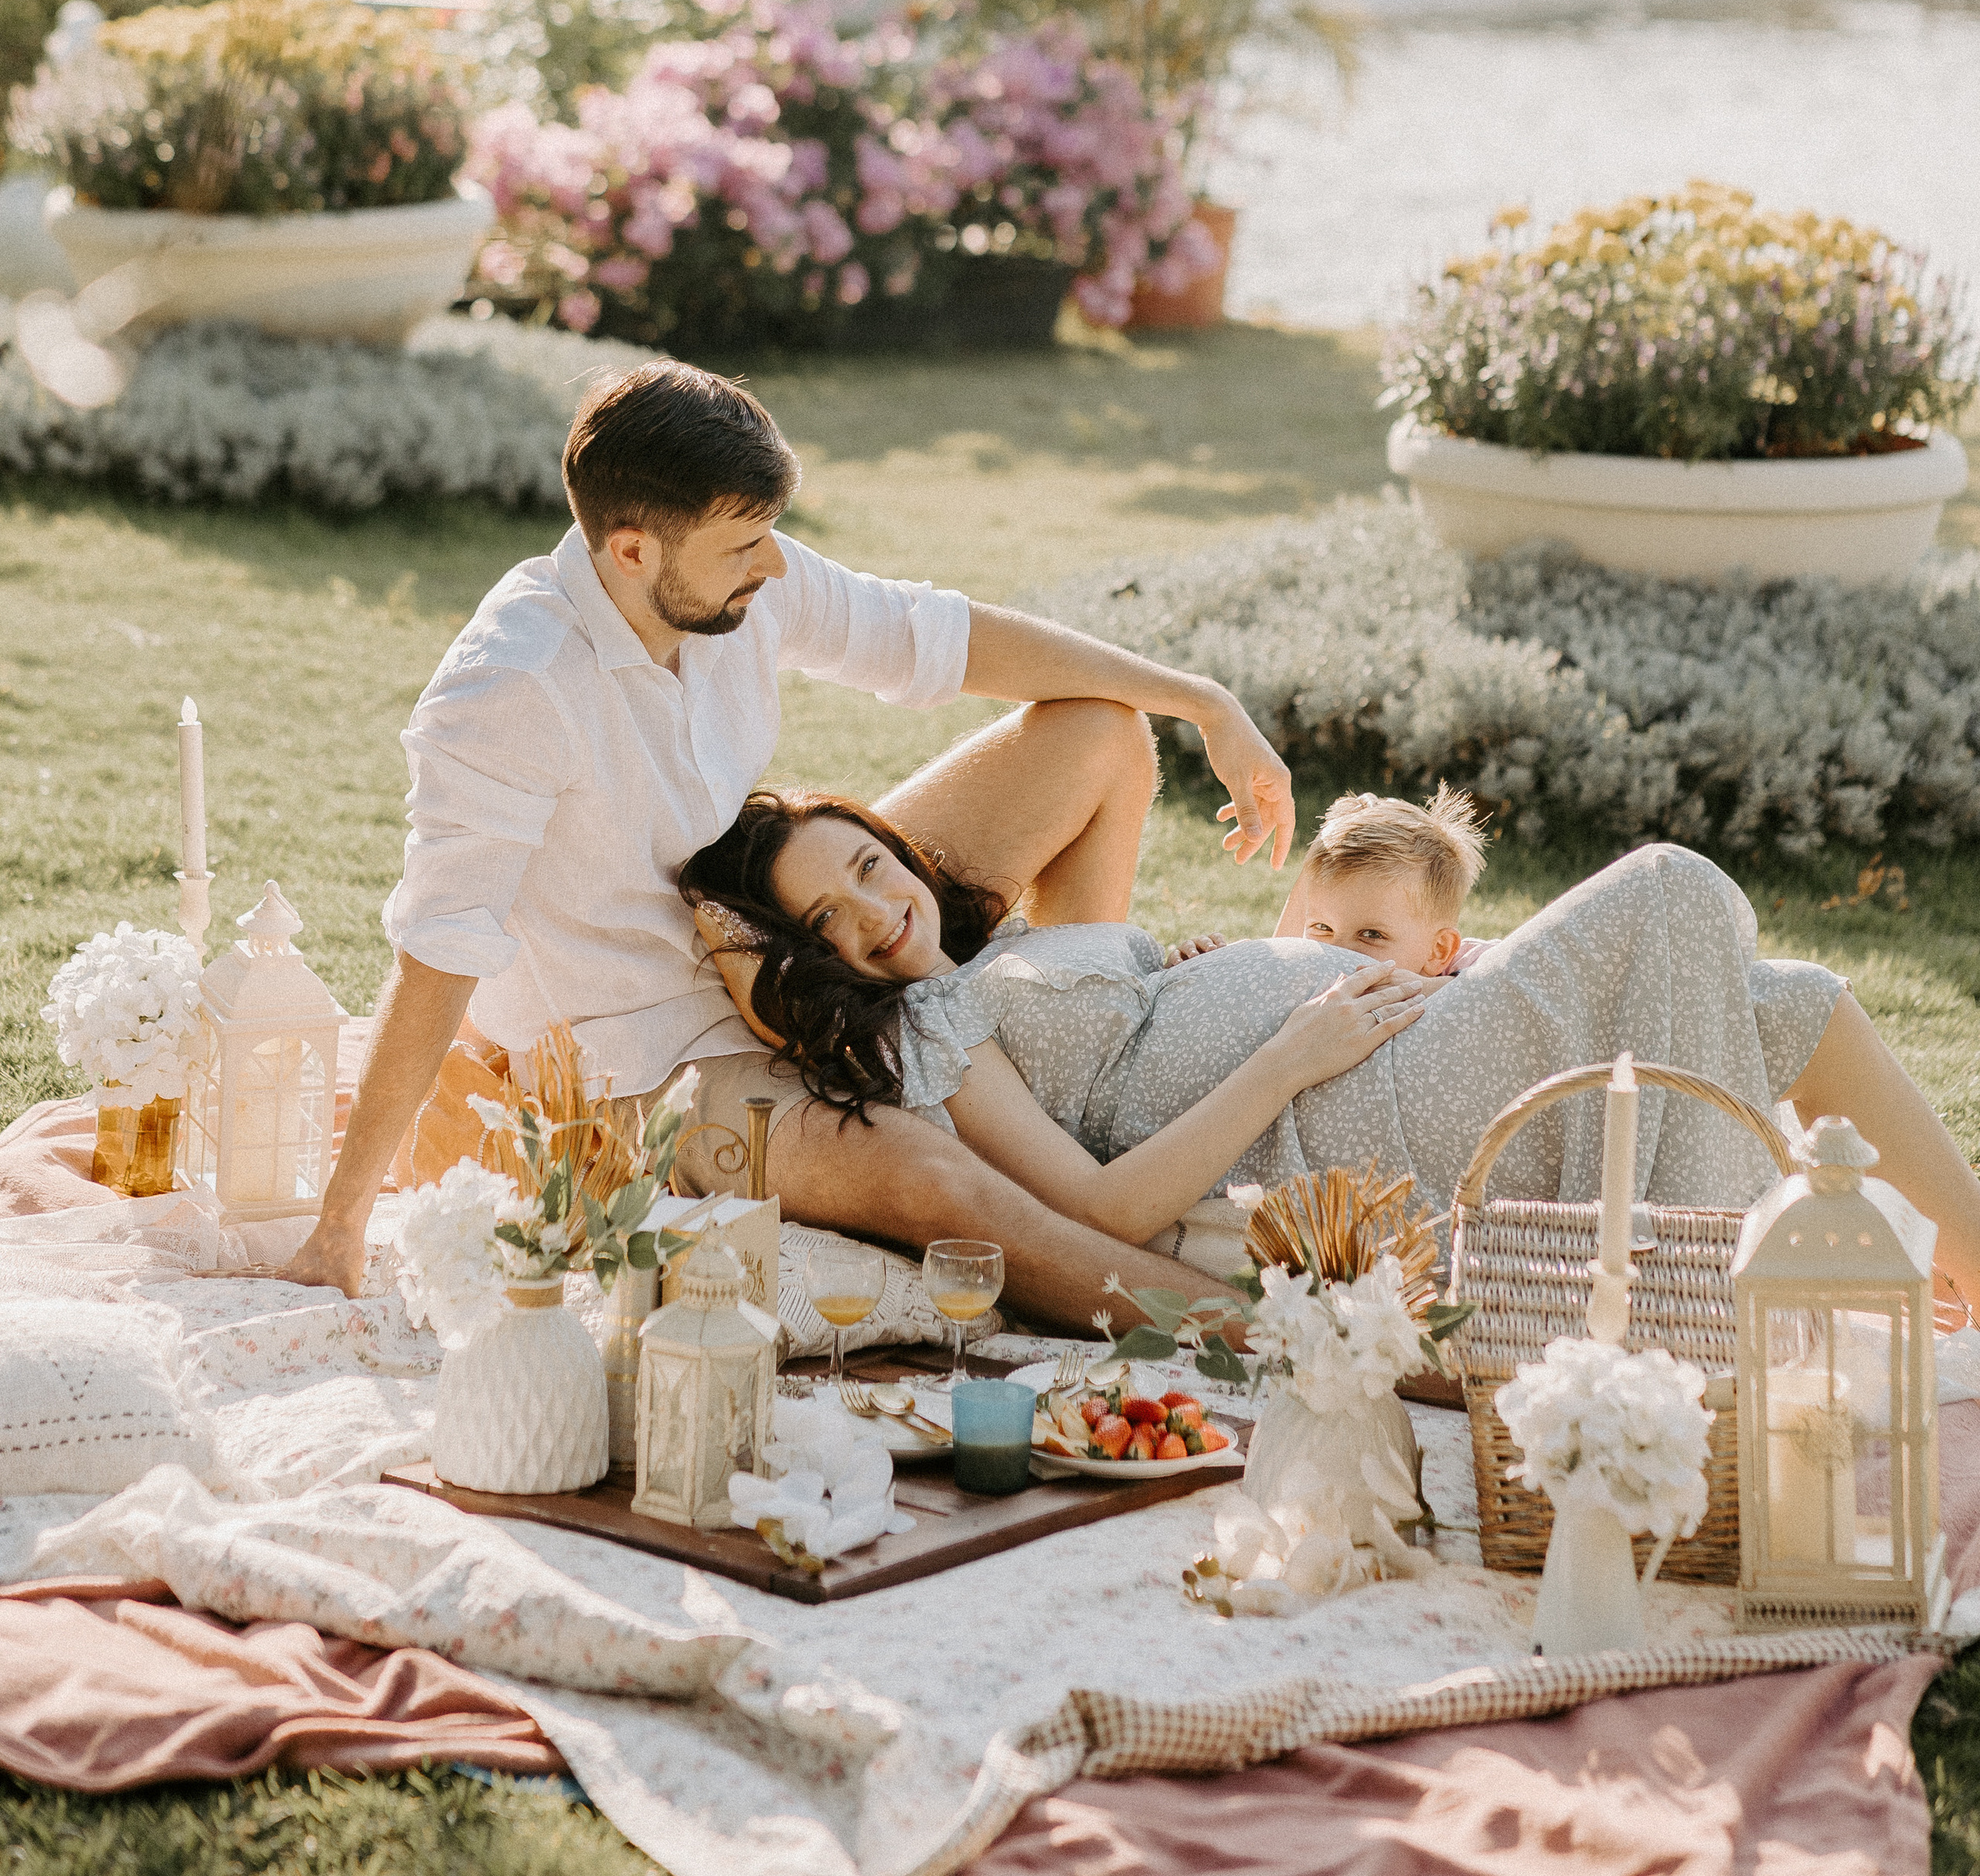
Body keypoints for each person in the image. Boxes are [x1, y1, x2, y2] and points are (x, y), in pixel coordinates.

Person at [284, 357, 1297, 1328]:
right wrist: (342, 1221)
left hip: (793, 914)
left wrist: (1198, 701)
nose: (772, 564)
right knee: (927, 1176)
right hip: (656, 1063)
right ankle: (1262, 1331)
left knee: (1098, 730)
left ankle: (1077, 1090)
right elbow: (439, 950)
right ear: (630, 551)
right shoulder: (509, 688)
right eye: (744, 545)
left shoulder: (735, 568)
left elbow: (924, 634)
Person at [681, 788, 1980, 1320]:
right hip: (1359, 1106)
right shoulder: (935, 1038)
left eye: (864, 864)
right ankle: (1681, 1311)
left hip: (1388, 1045)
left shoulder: (988, 959)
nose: (873, 911)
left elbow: (1124, 1035)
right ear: (816, 966)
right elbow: (1101, 1204)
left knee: (1796, 1001)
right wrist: (1286, 1052)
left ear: (892, 841)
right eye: (831, 926)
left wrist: (1181, 974)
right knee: (1670, 887)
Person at [1268, 784, 1493, 979]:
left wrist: (1434, 988)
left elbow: (1510, 984)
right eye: (1322, 927)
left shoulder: (1471, 972)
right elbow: (1276, 967)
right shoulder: (1313, 979)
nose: (1337, 953)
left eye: (1371, 935)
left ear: (1438, 951)